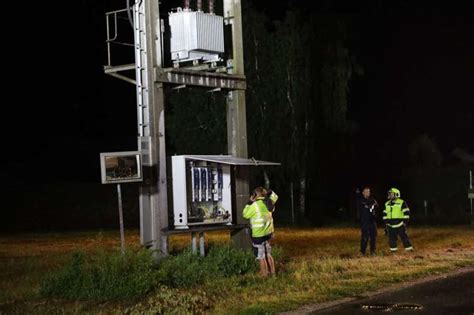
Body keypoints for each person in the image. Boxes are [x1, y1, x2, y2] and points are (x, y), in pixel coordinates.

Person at [243, 186, 278, 277]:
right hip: (268, 233)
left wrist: (250, 202)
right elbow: (275, 196)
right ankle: (273, 273)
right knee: (268, 254)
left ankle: (264, 274)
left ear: (255, 195)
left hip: (258, 235)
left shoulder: (255, 205)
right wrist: (267, 192)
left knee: (261, 255)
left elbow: (245, 214)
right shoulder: (269, 203)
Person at [383, 187, 414, 252]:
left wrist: (404, 222)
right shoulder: (387, 203)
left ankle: (409, 250)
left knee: (404, 237)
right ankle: (393, 251)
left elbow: (407, 213)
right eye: (389, 194)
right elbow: (385, 214)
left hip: (400, 224)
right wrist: (386, 223)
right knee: (391, 239)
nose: (389, 195)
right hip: (390, 225)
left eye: (391, 194)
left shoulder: (402, 202)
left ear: (396, 194)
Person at [356, 187, 378, 256]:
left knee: (373, 237)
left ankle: (373, 251)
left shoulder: (373, 200)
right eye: (365, 192)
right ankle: (362, 252)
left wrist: (373, 208)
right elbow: (360, 210)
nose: (367, 193)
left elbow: (376, 206)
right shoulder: (360, 201)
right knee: (364, 237)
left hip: (372, 221)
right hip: (365, 222)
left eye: (368, 192)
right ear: (363, 193)